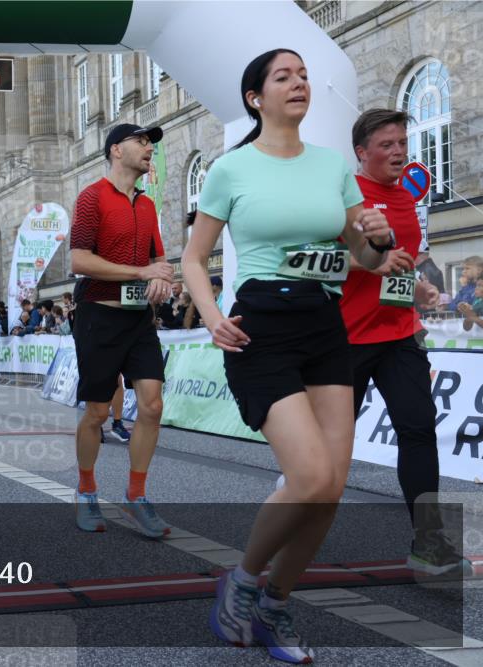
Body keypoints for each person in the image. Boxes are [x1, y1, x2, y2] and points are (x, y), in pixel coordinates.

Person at [181, 49, 394, 663]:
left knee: (330, 488)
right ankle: (242, 584)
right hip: (260, 327)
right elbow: (195, 257)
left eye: (303, 75)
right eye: (284, 76)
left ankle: (275, 605)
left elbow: (368, 256)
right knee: (309, 477)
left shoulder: (333, 168)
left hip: (325, 325)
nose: (299, 83)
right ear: (256, 97)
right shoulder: (231, 169)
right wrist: (214, 317)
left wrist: (375, 237)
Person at [343, 108, 470, 575]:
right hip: (347, 338)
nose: (399, 152)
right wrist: (373, 263)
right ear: (362, 153)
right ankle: (289, 523)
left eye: (402, 143)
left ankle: (428, 542)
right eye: (387, 146)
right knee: (329, 452)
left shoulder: (406, 200)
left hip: (399, 335)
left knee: (418, 429)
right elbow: (324, 258)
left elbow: (404, 262)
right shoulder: (348, 194)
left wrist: (420, 288)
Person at [69, 121, 173, 540]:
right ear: (116, 150)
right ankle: (87, 490)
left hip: (138, 319)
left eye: (151, 143)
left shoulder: (146, 205)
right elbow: (79, 260)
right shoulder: (92, 197)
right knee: (97, 412)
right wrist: (140, 270)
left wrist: (162, 278)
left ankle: (136, 494)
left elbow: (159, 259)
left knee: (151, 406)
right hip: (99, 314)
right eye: (142, 142)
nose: (149, 149)